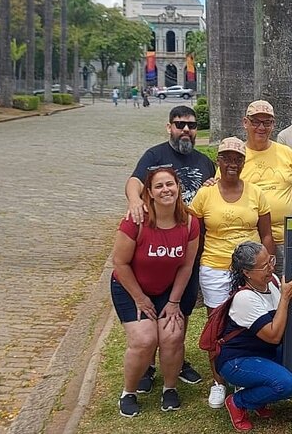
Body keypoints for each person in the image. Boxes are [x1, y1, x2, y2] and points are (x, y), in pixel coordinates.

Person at [125, 105, 216, 395]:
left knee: (181, 309)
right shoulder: (155, 156)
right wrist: (133, 201)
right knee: (150, 310)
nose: (186, 130)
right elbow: (134, 182)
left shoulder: (204, 161)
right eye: (180, 125)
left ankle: (176, 357)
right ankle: (147, 365)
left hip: (189, 246)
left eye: (191, 125)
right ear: (169, 127)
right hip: (154, 247)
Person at [189, 137, 275, 409]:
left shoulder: (256, 193)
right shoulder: (205, 193)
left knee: (251, 321)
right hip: (215, 266)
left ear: (243, 162)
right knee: (218, 326)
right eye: (227, 158)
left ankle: (245, 376)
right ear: (219, 161)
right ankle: (218, 382)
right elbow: (194, 231)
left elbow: (266, 234)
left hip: (250, 268)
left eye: (237, 158)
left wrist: (268, 264)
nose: (232, 163)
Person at [111, 167, 200, 417]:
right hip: (130, 287)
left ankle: (169, 388)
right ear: (149, 192)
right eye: (159, 186)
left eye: (170, 184)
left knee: (172, 335)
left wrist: (174, 302)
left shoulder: (190, 222)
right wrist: (140, 299)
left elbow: (186, 266)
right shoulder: (135, 220)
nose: (165, 190)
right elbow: (119, 263)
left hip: (168, 289)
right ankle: (128, 392)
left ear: (178, 187)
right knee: (144, 340)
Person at [218, 241, 292, 431]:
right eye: (264, 266)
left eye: (270, 260)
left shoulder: (271, 280)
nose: (271, 267)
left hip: (262, 353)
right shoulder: (244, 298)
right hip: (237, 361)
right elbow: (273, 335)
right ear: (247, 272)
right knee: (285, 384)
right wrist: (286, 297)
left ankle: (257, 400)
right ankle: (238, 401)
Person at [241, 100, 292, 278]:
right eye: (255, 121)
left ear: (273, 125)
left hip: (287, 239)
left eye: (267, 122)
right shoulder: (237, 155)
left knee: (289, 291)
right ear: (245, 123)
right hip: (252, 241)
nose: (261, 127)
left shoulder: (286, 153)